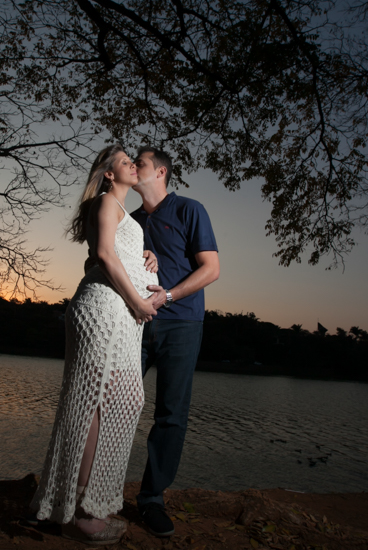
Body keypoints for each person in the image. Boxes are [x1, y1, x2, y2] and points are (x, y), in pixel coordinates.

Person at [29, 145, 159, 545]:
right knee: (95, 406)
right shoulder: (105, 201)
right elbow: (102, 254)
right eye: (125, 162)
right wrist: (138, 301)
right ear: (108, 174)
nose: (133, 165)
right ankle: (81, 512)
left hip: (119, 315)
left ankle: (85, 501)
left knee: (124, 399)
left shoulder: (121, 212)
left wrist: (144, 257)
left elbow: (112, 251)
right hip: (105, 312)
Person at [130, 147, 220, 536]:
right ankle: (96, 488)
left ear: (161, 172)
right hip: (134, 323)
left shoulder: (189, 209)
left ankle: (151, 499)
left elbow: (211, 269)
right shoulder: (129, 220)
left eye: (140, 163)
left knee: (170, 415)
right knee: (116, 405)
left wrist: (167, 296)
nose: (133, 167)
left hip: (181, 324)